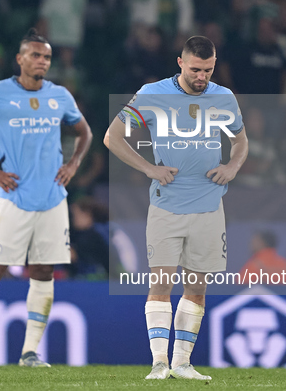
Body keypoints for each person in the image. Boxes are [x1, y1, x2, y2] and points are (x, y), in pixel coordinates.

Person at [0, 28, 92, 367]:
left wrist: (73, 164)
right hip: (13, 198)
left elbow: (84, 132)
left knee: (43, 271)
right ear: (20, 58)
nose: (42, 61)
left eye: (47, 57)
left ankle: (29, 353)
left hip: (53, 198)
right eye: (36, 55)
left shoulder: (60, 96)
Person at [104, 36, 248, 380]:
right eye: (196, 69)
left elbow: (241, 142)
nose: (202, 77)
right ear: (180, 63)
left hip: (210, 205)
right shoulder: (153, 93)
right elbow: (112, 137)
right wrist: (150, 169)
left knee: (197, 287)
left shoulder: (223, 97)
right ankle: (159, 363)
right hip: (167, 205)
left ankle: (182, 363)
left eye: (208, 70)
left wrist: (231, 167)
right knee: (161, 283)